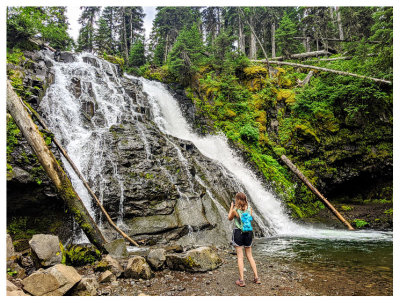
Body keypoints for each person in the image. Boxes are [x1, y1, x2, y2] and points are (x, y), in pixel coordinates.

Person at [228, 192, 261, 287]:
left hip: (238, 233)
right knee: (250, 256)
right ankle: (256, 278)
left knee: (240, 257)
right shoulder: (249, 208)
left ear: (237, 200)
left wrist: (231, 207)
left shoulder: (235, 210)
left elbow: (229, 218)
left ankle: (242, 280)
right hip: (248, 233)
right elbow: (250, 219)